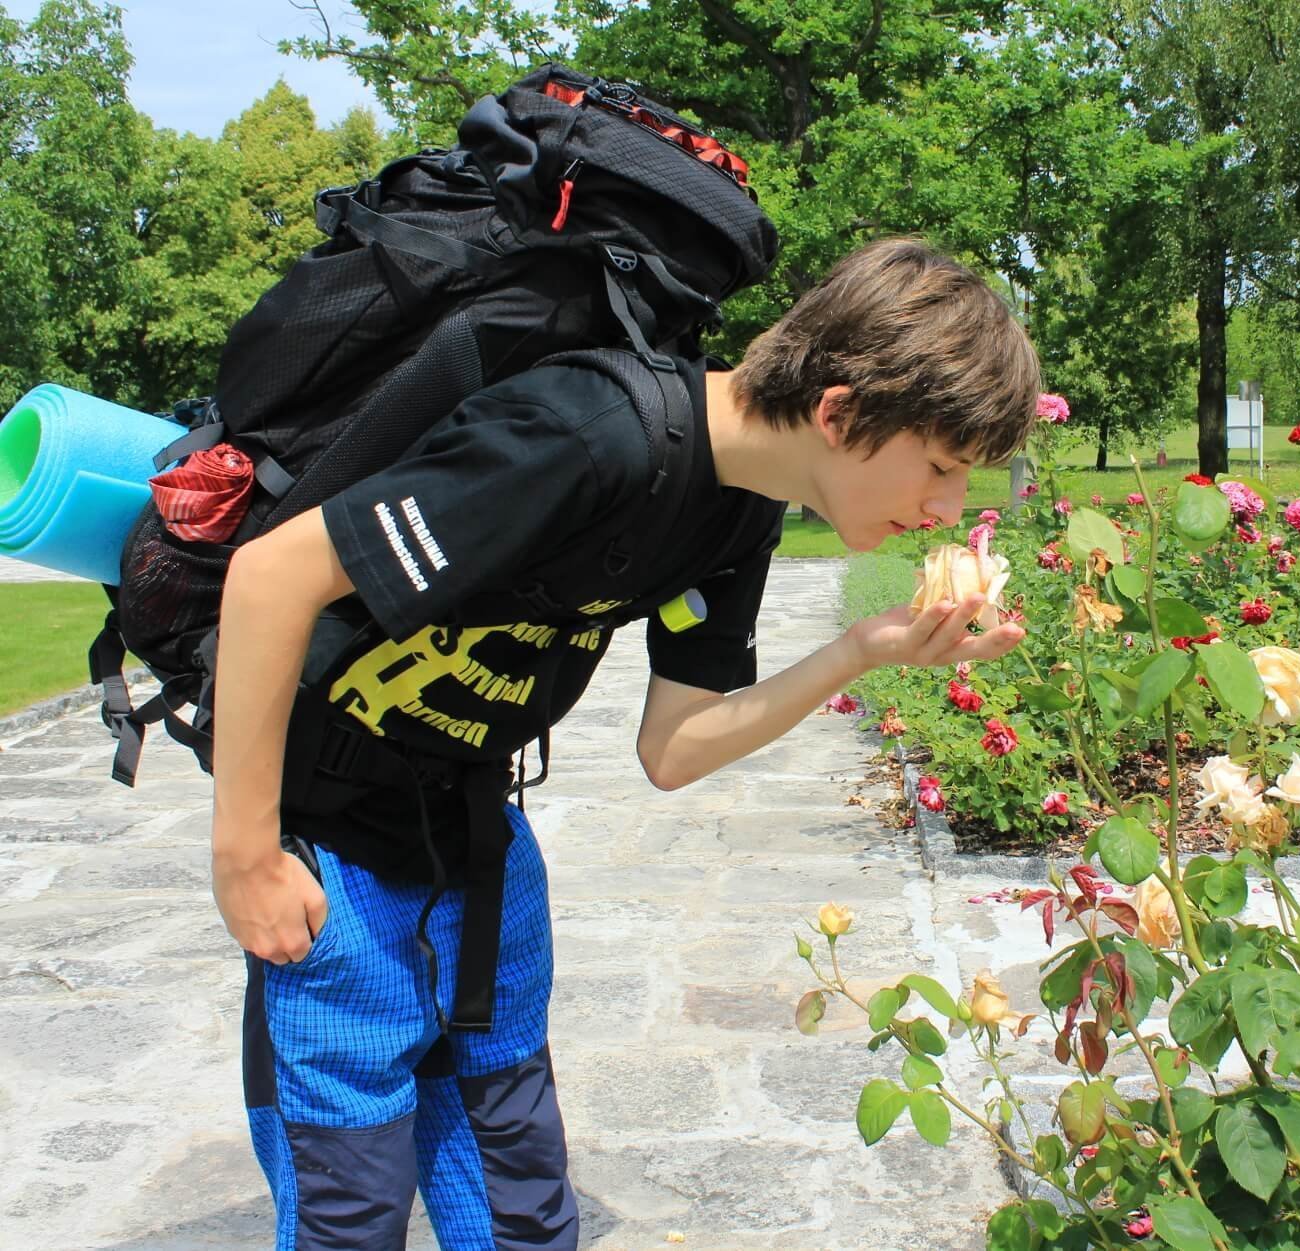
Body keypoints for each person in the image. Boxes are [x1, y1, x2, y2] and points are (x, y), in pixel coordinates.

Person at [209, 236, 1041, 1248]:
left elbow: (676, 749)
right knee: (353, 1195)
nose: (950, 508)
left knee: (515, 1190)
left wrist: (867, 651)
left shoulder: (742, 514)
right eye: (944, 467)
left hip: (473, 835)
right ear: (841, 414)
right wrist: (246, 853)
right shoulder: (587, 431)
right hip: (330, 847)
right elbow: (272, 577)